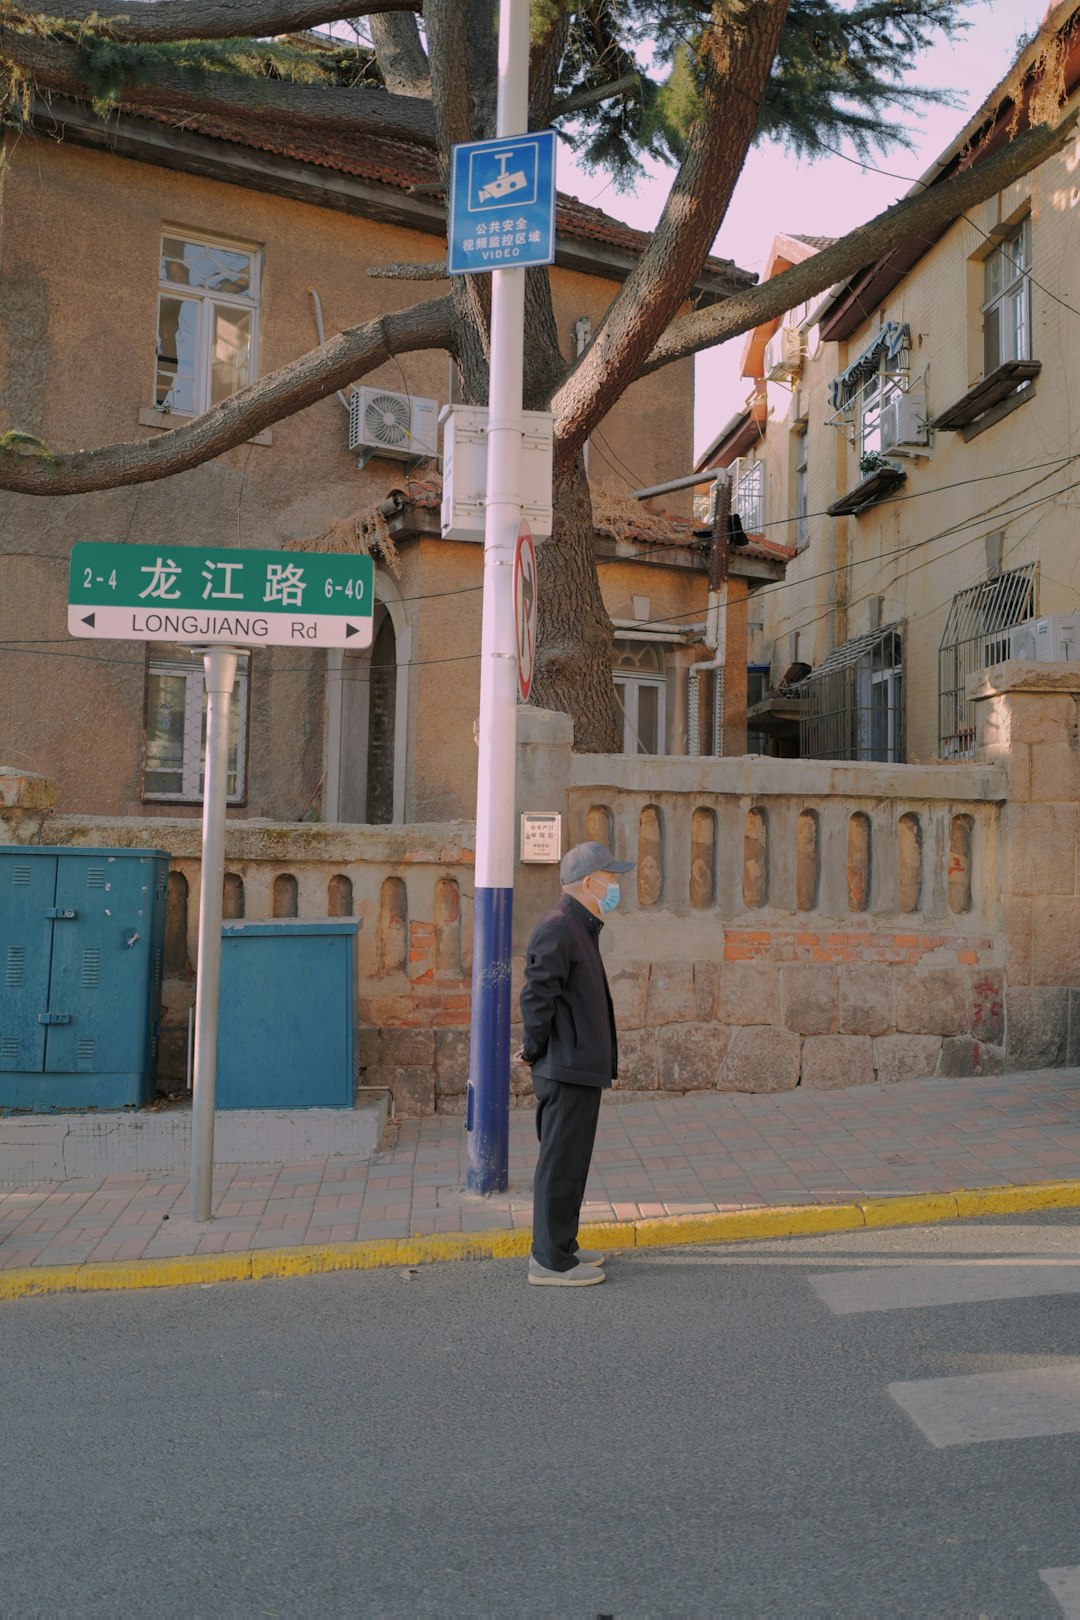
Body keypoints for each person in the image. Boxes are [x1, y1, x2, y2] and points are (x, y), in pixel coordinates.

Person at [517, 840, 634, 1287]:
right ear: (589, 883)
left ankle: (562, 1247)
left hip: (576, 1066)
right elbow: (536, 996)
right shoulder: (559, 926)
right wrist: (532, 1048)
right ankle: (548, 1261)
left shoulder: (579, 925)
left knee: (572, 1164)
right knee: (559, 1165)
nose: (616, 886)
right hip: (563, 1068)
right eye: (611, 878)